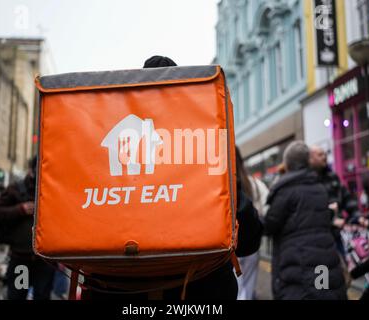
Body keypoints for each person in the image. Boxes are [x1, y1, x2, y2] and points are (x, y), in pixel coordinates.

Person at [82, 56, 263, 300]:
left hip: (116, 290)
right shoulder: (201, 147)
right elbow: (249, 238)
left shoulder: (107, 150)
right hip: (200, 291)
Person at [264, 141, 347, 300]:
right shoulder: (319, 187)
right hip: (323, 259)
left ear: (287, 163)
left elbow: (270, 225)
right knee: (323, 291)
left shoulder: (285, 191)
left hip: (298, 261)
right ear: (307, 162)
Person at [0, 157, 55, 300]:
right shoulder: (16, 189)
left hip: (45, 260)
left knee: (42, 296)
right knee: (18, 295)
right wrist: (20, 209)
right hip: (21, 258)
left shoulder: (52, 188)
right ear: (32, 171)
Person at [235, 148, 269, 300]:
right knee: (248, 287)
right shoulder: (254, 184)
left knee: (233, 286)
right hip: (251, 243)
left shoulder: (221, 184)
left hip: (228, 246)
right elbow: (267, 209)